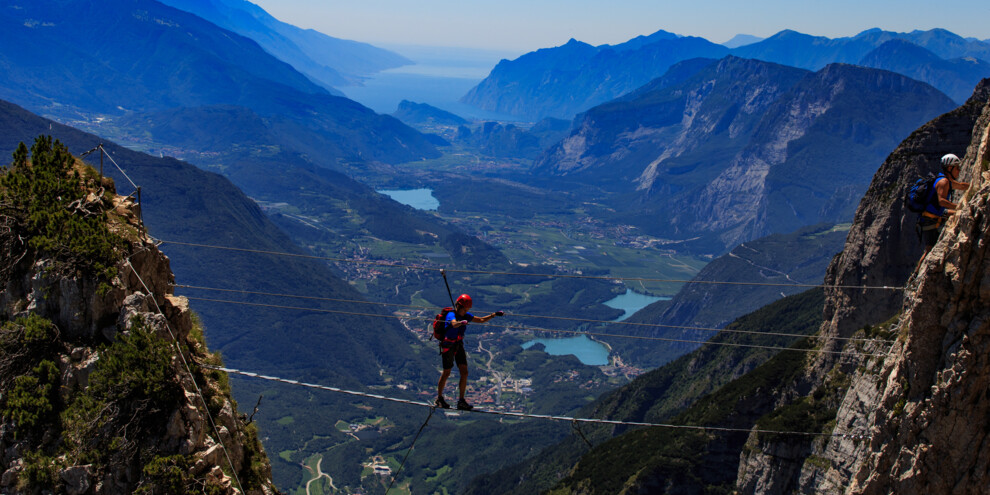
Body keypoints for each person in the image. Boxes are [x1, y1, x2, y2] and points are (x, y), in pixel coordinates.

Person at [435, 294, 503, 410]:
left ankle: (461, 401)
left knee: (464, 372)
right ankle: (439, 398)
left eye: (467, 310)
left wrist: (493, 315)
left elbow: (481, 320)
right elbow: (454, 323)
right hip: (448, 345)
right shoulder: (451, 314)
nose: (466, 311)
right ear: (459, 306)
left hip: (458, 344)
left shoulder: (465, 315)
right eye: (465, 309)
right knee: (446, 372)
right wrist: (461, 323)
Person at [916, 153, 970, 272]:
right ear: (949, 168)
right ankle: (915, 276)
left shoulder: (946, 181)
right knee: (929, 250)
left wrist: (974, 185)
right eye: (957, 168)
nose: (959, 170)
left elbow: (961, 186)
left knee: (958, 215)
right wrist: (960, 207)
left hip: (935, 216)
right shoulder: (943, 182)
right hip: (930, 220)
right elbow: (942, 201)